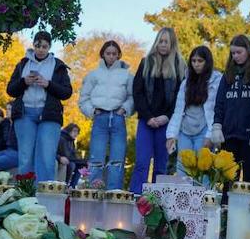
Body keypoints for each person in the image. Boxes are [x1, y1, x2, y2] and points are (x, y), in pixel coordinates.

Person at [6, 31, 73, 183]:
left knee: (46, 156)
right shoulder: (23, 64)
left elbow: (67, 92)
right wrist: (24, 82)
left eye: (44, 46)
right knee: (25, 156)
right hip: (25, 114)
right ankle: (25, 192)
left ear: (49, 47)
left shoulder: (58, 65)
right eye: (38, 46)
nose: (41, 49)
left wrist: (48, 84)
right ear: (33, 45)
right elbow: (10, 90)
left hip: (49, 115)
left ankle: (44, 192)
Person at [130, 27, 186, 193]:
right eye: (160, 41)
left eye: (166, 42)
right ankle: (136, 197)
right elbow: (137, 92)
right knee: (142, 163)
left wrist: (166, 117)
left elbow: (179, 97)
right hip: (146, 121)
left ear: (172, 44)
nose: (162, 45)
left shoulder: (179, 66)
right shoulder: (145, 63)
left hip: (166, 124)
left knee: (161, 166)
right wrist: (148, 117)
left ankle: (157, 201)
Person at [79, 40, 133, 190]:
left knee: (117, 160)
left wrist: (125, 109)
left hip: (118, 118)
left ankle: (113, 193)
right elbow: (84, 98)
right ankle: (93, 191)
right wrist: (92, 111)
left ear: (118, 55)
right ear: (103, 54)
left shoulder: (127, 75)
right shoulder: (93, 75)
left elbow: (132, 97)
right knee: (96, 159)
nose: (111, 56)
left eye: (114, 54)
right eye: (108, 53)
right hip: (100, 118)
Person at [211, 34, 250, 187]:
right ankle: (227, 203)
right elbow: (220, 102)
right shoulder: (228, 73)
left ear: (248, 50)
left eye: (239, 52)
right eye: (233, 53)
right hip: (229, 134)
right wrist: (217, 125)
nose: (236, 56)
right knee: (228, 179)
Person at [168, 45, 223, 176]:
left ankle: (203, 192)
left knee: (203, 170)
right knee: (183, 170)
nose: (196, 64)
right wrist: (171, 135)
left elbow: (215, 110)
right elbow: (178, 111)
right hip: (184, 131)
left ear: (207, 62)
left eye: (200, 61)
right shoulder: (185, 83)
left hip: (204, 130)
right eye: (193, 61)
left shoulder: (216, 81)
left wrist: (210, 135)